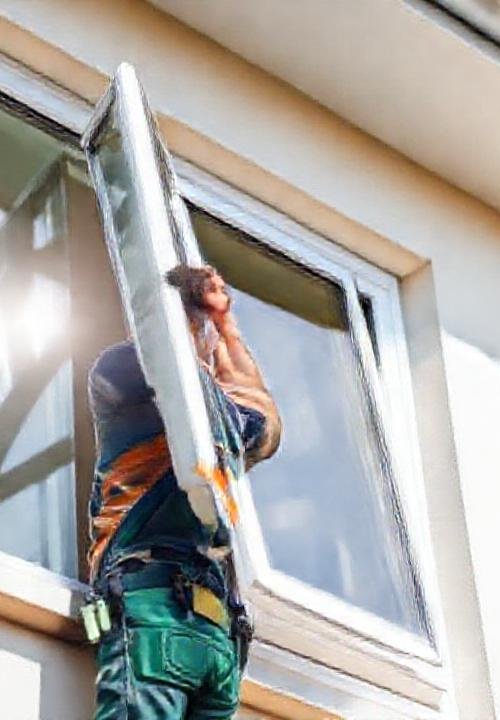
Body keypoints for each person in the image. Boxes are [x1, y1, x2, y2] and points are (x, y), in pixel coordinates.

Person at [88, 264, 281, 720]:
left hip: (203, 633)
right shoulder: (125, 374)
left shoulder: (214, 424)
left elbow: (265, 425)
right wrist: (202, 322)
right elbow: (167, 368)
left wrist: (222, 326)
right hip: (163, 610)